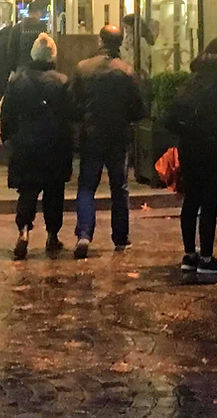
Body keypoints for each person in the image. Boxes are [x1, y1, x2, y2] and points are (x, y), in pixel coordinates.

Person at [162, 37, 217, 279]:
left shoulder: (192, 82)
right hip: (214, 147)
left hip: (189, 148)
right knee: (209, 203)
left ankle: (190, 255)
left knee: (191, 201)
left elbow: (169, 118)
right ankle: (207, 258)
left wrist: (188, 131)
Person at [70, 24, 147, 258]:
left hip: (91, 134)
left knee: (86, 186)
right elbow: (139, 109)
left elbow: (73, 105)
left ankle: (84, 233)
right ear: (120, 43)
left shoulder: (83, 68)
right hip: (118, 137)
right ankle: (121, 237)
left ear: (100, 41)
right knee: (119, 188)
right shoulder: (126, 71)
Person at [0, 33, 77, 259]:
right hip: (55, 144)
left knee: (28, 191)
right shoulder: (62, 81)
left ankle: (23, 231)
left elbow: (7, 115)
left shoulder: (17, 81)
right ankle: (52, 236)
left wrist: (8, 139)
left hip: (26, 144)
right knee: (55, 192)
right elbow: (71, 114)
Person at [0, 0, 49, 104]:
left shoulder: (16, 28)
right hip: (40, 71)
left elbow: (10, 52)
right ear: (39, 12)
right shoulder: (44, 28)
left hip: (21, 70)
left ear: (28, 12)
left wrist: (15, 69)